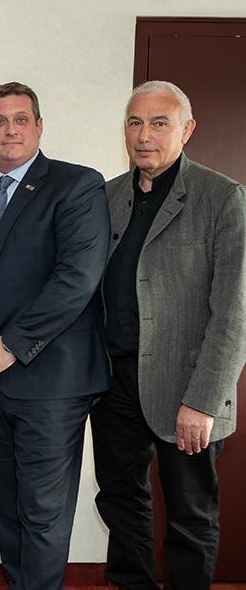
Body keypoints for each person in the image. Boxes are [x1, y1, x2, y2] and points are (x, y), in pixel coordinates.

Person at [0, 82, 110, 590]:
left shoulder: (78, 185)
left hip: (51, 381)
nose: (10, 130)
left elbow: (76, 280)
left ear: (39, 126)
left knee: (42, 512)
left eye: (21, 119)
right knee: (6, 507)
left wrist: (8, 347)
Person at [92, 81, 246, 590]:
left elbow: (234, 313)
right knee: (120, 503)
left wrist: (204, 401)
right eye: (134, 122)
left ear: (187, 130)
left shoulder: (222, 198)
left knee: (190, 514)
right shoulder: (108, 196)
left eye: (159, 123)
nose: (144, 135)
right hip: (114, 384)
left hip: (187, 387)